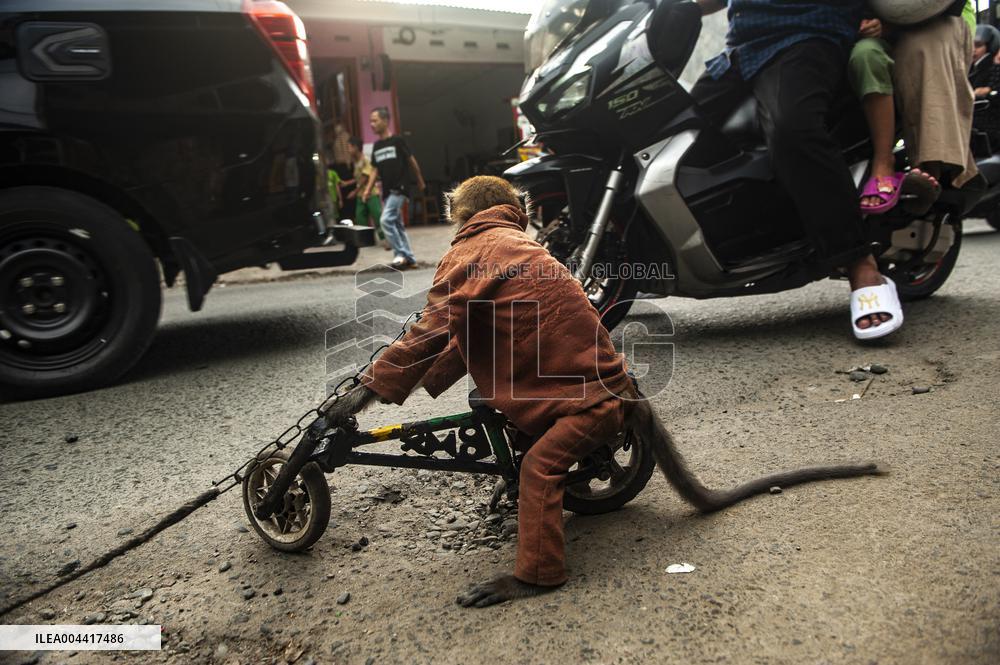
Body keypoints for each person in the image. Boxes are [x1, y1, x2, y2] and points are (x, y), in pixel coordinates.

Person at [692, 0, 902, 340]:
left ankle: (860, 263)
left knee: (793, 131)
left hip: (805, 36)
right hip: (740, 51)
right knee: (675, 125)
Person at [848, 2, 977, 214]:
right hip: (879, 25)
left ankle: (929, 169)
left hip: (939, 17)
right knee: (865, 56)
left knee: (920, 50)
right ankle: (882, 160)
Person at [362, 107, 425, 269]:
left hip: (400, 187)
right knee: (397, 224)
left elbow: (411, 161)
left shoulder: (398, 141)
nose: (372, 124)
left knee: (386, 220)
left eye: (375, 120)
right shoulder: (376, 146)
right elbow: (375, 170)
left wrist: (419, 179)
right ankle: (410, 258)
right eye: (370, 121)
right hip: (387, 191)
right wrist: (368, 189)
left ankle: (400, 254)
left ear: (385, 121)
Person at [346, 136, 388, 248]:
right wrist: (347, 183)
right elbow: (358, 178)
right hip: (361, 196)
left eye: (349, 147)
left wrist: (354, 192)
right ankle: (365, 240)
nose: (348, 150)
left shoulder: (366, 160)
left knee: (377, 217)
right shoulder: (355, 162)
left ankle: (385, 239)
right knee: (360, 217)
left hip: (371, 194)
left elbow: (365, 178)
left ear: (356, 148)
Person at [970, 24, 1000, 150]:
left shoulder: (991, 67)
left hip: (988, 130)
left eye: (978, 45)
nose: (973, 50)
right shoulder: (971, 68)